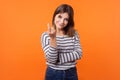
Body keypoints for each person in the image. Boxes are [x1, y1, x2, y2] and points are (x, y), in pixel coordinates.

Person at [41, 4, 82, 80]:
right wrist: (53, 38)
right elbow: (52, 59)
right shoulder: (46, 35)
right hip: (53, 73)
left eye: (66, 19)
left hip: (71, 73)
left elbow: (78, 54)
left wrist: (58, 59)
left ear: (69, 21)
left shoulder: (74, 34)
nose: (62, 21)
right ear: (54, 16)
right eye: (59, 16)